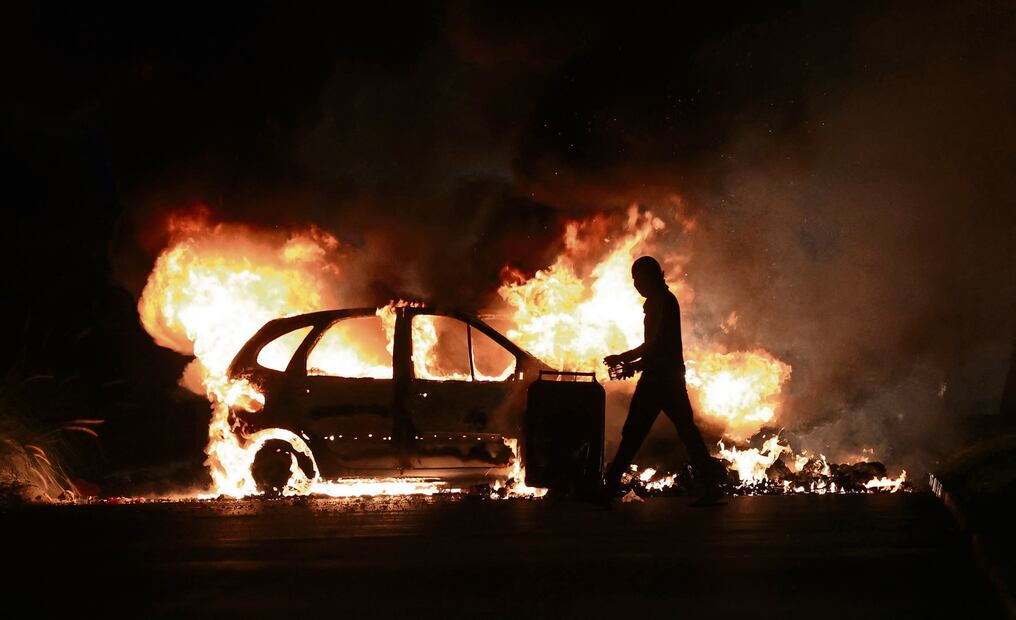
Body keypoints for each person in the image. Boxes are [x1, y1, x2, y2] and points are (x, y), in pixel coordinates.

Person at [602, 256, 726, 506]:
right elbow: (654, 346)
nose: (636, 285)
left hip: (659, 379)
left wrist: (629, 362)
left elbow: (657, 345)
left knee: (634, 433)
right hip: (668, 377)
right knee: (685, 432)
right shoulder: (661, 300)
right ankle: (711, 486)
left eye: (638, 279)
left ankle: (609, 487)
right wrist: (629, 361)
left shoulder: (661, 302)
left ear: (650, 277)